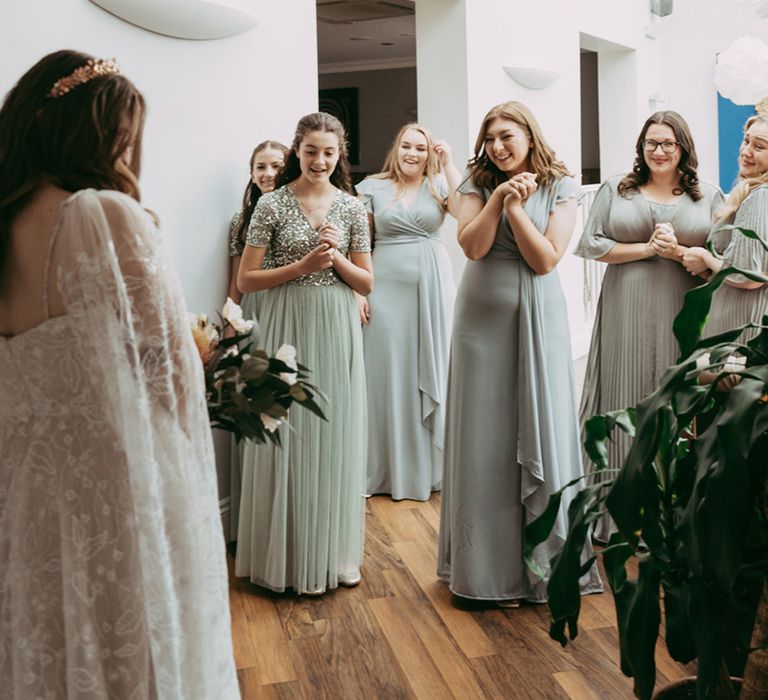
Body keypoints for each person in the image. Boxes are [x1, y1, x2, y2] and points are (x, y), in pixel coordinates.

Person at [0, 50, 238, 698]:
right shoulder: (101, 215)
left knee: (51, 652)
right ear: (97, 132)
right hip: (117, 483)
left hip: (25, 495)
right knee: (134, 658)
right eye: (126, 135)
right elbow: (173, 381)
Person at [437, 101, 602, 606]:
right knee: (483, 435)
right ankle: (482, 571)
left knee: (542, 425)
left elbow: (546, 259)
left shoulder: (562, 185)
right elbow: (472, 247)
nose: (498, 147)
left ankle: (545, 567)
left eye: (506, 136)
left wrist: (515, 209)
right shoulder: (473, 181)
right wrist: (495, 201)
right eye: (490, 139)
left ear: (530, 134)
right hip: (480, 323)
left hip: (539, 318)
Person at [235, 112, 372, 595]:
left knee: (330, 431)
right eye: (312, 151)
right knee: (283, 428)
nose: (320, 161)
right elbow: (245, 280)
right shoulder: (271, 205)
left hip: (335, 326)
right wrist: (299, 266)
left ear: (340, 156)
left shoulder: (353, 208)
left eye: (330, 153)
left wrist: (332, 259)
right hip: (284, 324)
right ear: (298, 150)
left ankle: (332, 555)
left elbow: (367, 281)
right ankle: (282, 558)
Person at [575, 111, 723, 542]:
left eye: (668, 144)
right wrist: (645, 247)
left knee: (675, 397)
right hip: (626, 304)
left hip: (683, 307)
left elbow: (722, 258)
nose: (658, 152)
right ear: (641, 148)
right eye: (651, 143)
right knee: (625, 393)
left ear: (683, 149)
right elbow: (592, 244)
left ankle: (674, 513)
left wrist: (679, 252)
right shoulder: (617, 189)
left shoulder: (708, 196)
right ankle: (618, 513)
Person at [355, 123, 460, 501]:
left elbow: (465, 213)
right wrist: (358, 290)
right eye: (406, 146)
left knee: (433, 365)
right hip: (383, 287)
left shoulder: (441, 185)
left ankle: (432, 469)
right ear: (396, 148)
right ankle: (382, 470)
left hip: (433, 287)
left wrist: (448, 164)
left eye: (421, 148)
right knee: (386, 371)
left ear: (430, 152)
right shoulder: (371, 187)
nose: (412, 154)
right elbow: (359, 240)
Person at [226, 139, 287, 542]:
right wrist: (229, 325)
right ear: (251, 173)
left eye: (276, 166)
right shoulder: (241, 221)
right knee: (254, 409)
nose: (268, 174)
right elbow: (235, 282)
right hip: (255, 318)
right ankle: (252, 523)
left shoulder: (296, 211)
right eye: (260, 167)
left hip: (289, 313)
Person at [682, 111, 768, 339]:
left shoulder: (760, 196)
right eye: (746, 140)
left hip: (743, 319)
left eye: (759, 147)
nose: (746, 151)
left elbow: (748, 275)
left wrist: (705, 257)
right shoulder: (751, 191)